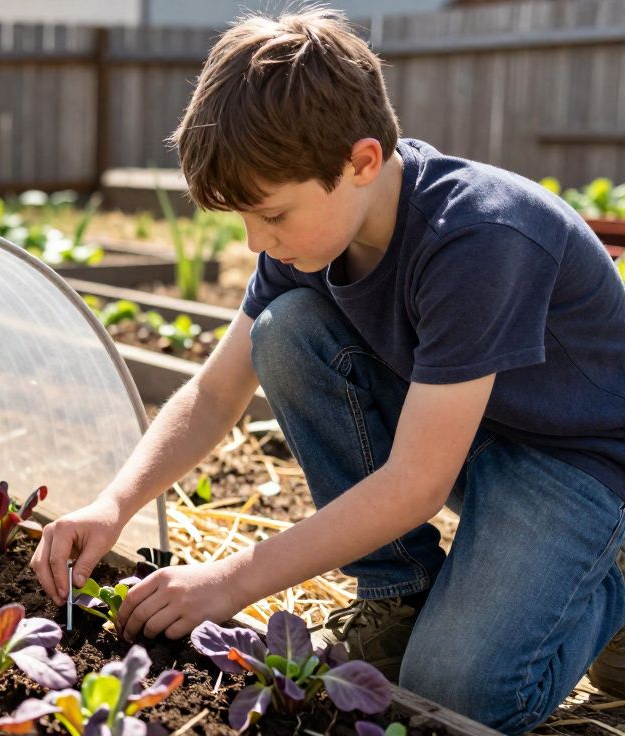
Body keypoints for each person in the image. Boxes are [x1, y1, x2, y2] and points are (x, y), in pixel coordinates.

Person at [31, 7, 625, 732]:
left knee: (459, 695)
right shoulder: (317, 240)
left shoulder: (477, 238)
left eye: (273, 215)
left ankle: (607, 579)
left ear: (362, 162)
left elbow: (415, 483)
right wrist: (112, 505)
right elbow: (217, 391)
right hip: (470, 437)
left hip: (580, 462)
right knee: (283, 332)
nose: (257, 241)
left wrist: (230, 580)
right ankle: (399, 595)